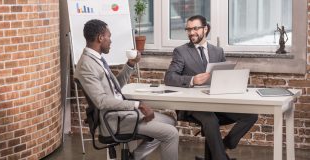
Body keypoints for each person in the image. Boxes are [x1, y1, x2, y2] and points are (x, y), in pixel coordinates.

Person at [75, 19, 178, 160]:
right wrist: (138, 105)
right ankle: (135, 156)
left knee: (170, 121)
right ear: (100, 38)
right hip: (116, 121)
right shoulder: (87, 65)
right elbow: (101, 101)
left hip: (124, 114)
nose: (110, 41)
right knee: (171, 133)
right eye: (109, 36)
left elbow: (115, 86)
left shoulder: (96, 59)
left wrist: (130, 64)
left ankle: (135, 156)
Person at [164, 15, 258, 160]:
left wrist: (234, 84)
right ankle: (220, 157)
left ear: (205, 29)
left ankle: (225, 144)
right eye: (188, 29)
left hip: (216, 102)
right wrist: (192, 80)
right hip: (193, 106)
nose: (191, 32)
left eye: (195, 28)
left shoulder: (217, 51)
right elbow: (169, 77)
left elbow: (225, 78)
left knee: (251, 115)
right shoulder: (181, 51)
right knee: (211, 120)